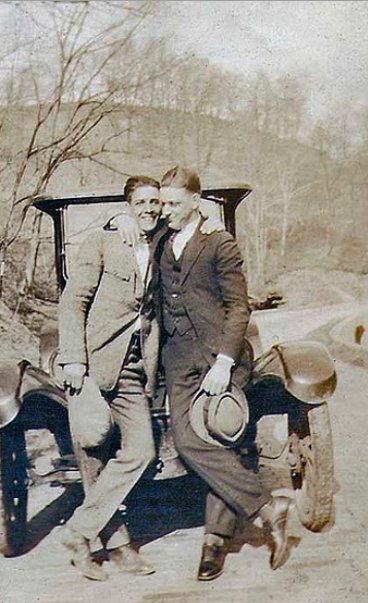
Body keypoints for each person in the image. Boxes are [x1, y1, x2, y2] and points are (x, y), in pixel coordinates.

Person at [151, 165, 291, 581]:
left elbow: (238, 307)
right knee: (187, 441)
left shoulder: (220, 244)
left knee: (221, 438)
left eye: (174, 204)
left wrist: (225, 363)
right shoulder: (159, 239)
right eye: (163, 203)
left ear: (196, 201)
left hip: (219, 358)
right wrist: (121, 220)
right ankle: (268, 507)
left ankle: (214, 542)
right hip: (177, 360)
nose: (167, 211)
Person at [58, 175, 162, 581]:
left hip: (135, 369)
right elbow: (74, 301)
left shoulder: (158, 248)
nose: (150, 208)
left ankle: (79, 532)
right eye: (142, 202)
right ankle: (119, 546)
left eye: (155, 202)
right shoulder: (102, 242)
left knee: (142, 450)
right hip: (94, 365)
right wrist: (73, 360)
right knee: (94, 448)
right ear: (128, 205)